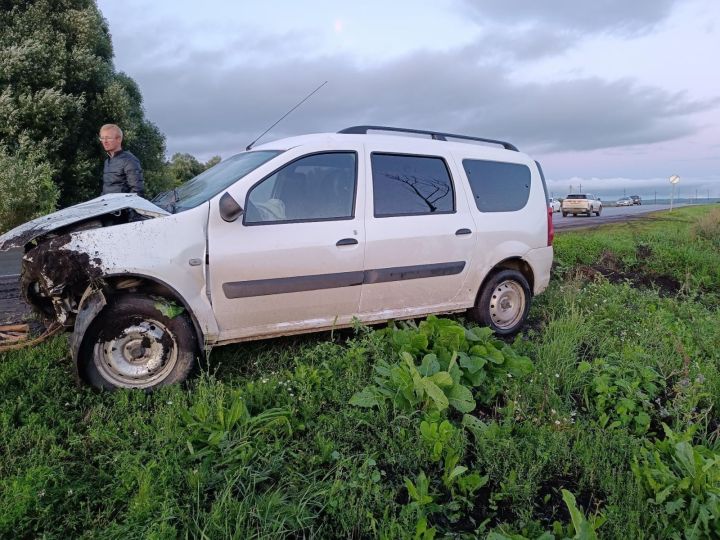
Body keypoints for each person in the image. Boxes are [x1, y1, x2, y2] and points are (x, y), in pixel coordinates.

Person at [99, 124, 145, 197]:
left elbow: (137, 190)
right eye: (102, 138)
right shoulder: (107, 162)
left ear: (119, 139)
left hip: (123, 207)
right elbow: (106, 190)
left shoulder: (129, 160)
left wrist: (125, 208)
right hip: (108, 207)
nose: (105, 141)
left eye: (108, 138)